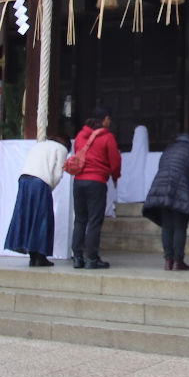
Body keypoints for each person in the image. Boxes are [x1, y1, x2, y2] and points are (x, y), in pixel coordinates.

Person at [67, 108, 121, 269]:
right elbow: (115, 160)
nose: (109, 122)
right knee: (94, 221)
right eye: (108, 119)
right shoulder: (107, 137)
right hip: (96, 182)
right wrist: (115, 176)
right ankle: (91, 258)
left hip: (78, 182)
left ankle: (77, 257)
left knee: (80, 220)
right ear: (104, 120)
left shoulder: (79, 136)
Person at [5, 130, 67, 267]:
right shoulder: (61, 149)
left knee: (27, 216)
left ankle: (32, 255)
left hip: (24, 180)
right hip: (41, 183)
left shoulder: (39, 145)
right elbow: (58, 173)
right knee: (42, 219)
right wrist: (50, 187)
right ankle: (40, 255)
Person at [140, 129, 189, 271]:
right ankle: (178, 261)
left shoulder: (169, 148)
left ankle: (168, 260)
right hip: (180, 188)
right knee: (179, 226)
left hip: (160, 188)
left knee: (167, 226)